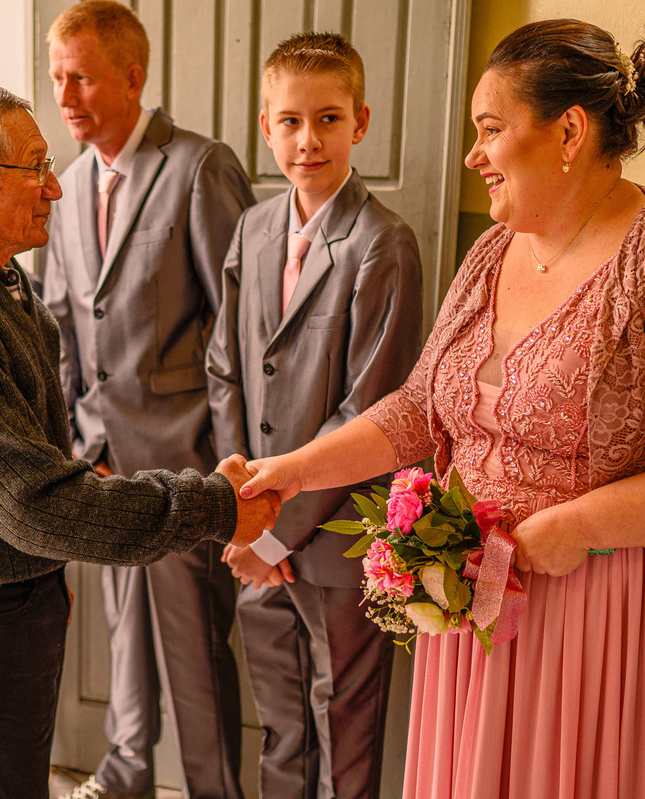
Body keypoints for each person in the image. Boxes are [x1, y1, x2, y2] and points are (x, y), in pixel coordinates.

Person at [237, 19, 645, 799]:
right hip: (481, 613)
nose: (473, 155)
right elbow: (422, 407)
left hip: (615, 620)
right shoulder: (493, 250)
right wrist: (293, 470)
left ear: (568, 130)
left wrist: (581, 525)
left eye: (491, 130)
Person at [0, 81, 276, 799]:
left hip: (4, 591)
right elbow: (36, 505)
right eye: (36, 168)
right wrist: (217, 506)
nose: (56, 188)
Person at [41, 4, 256, 797]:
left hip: (187, 461)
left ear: (133, 77)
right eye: (59, 76)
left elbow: (236, 328)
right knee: (124, 629)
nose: (65, 95)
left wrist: (231, 469)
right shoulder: (63, 185)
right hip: (100, 463)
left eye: (83, 77)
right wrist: (71, 443)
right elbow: (64, 324)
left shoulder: (200, 167)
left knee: (195, 649)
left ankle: (213, 791)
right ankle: (127, 768)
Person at [207, 32, 422, 799]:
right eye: (291, 121)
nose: (309, 140)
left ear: (360, 122)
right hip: (253, 534)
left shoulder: (383, 244)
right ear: (266, 127)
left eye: (328, 119)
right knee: (281, 727)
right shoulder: (252, 230)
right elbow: (225, 368)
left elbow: (373, 408)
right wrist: (244, 516)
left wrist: (275, 530)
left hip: (333, 541)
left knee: (344, 729)